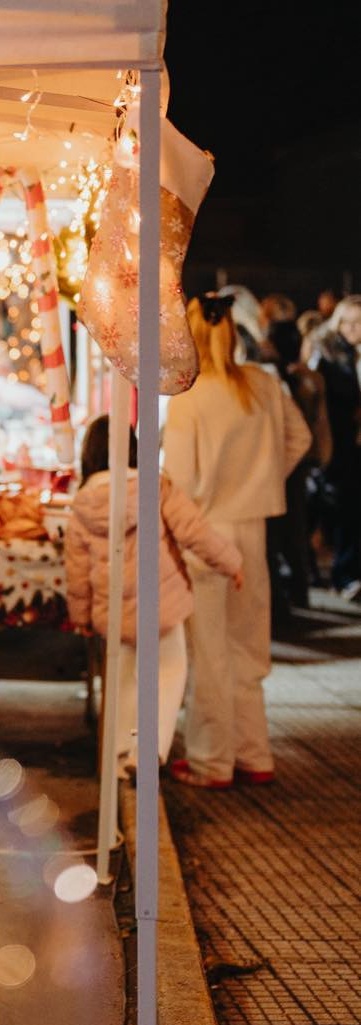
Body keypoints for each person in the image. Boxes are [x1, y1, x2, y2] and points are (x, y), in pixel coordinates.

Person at [162, 295, 311, 788]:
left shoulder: (190, 397)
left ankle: (211, 760)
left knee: (210, 652)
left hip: (207, 532)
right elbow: (300, 439)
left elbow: (178, 482)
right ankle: (253, 752)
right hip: (254, 527)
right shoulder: (265, 385)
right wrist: (265, 478)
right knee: (248, 647)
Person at [65, 415, 242, 779]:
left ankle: (119, 755)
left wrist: (81, 616)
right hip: (161, 602)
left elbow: (76, 570)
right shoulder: (156, 487)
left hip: (114, 610)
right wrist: (231, 563)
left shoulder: (83, 503)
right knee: (170, 671)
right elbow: (194, 532)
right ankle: (146, 752)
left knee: (124, 680)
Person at [266, 318, 331, 609]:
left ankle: (288, 592)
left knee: (285, 528)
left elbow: (307, 426)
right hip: (299, 461)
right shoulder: (307, 378)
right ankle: (299, 589)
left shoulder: (279, 379)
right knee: (296, 528)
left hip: (284, 462)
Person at [307, 294, 361, 595]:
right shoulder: (329, 355)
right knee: (345, 510)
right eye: (348, 322)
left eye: (359, 323)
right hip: (341, 444)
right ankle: (345, 575)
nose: (353, 328)